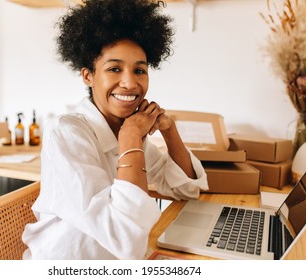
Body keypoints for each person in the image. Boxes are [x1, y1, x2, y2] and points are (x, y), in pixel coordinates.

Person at [22, 0, 208, 260]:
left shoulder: (124, 126)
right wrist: (131, 137)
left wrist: (169, 130)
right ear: (88, 76)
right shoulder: (69, 134)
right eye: (114, 69)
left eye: (140, 70)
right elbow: (125, 239)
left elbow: (185, 189)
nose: (130, 83)